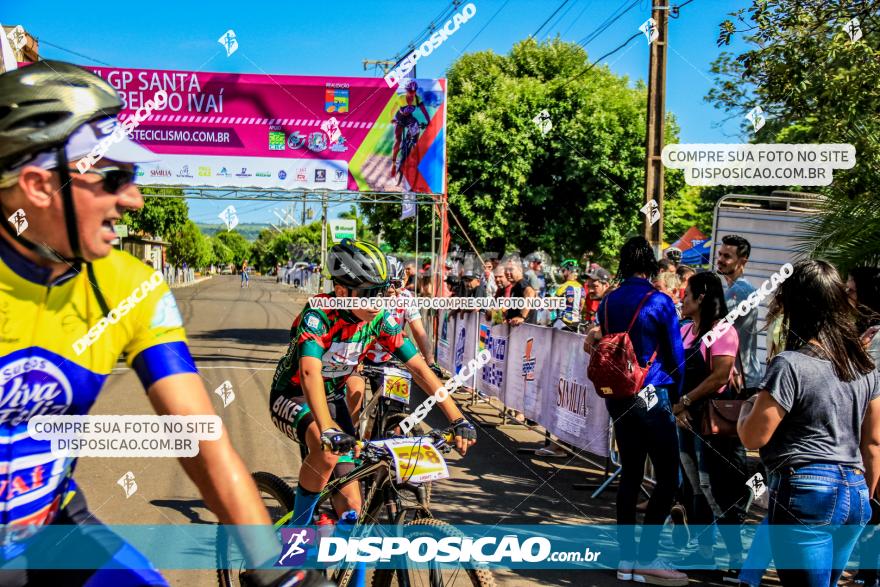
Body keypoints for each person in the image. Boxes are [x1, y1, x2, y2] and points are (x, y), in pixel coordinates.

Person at [0, 61, 323, 587]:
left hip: (49, 529)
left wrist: (273, 568)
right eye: (114, 178)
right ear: (39, 185)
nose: (133, 199)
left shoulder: (131, 286)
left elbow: (198, 432)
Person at [269, 239, 477, 535]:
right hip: (293, 394)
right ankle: (297, 535)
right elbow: (309, 372)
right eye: (368, 294)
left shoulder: (378, 318)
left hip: (332, 397)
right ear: (341, 292)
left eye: (380, 293)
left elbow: (418, 367)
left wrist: (457, 418)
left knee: (353, 512)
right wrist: (327, 428)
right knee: (326, 450)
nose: (377, 302)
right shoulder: (319, 314)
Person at [738, 260, 880, 587]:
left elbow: (754, 436)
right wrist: (865, 499)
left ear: (792, 306)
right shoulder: (864, 365)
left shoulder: (790, 364)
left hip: (807, 490)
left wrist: (748, 405)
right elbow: (872, 442)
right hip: (855, 492)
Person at [585, 236, 686, 586]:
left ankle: (626, 558)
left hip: (618, 394)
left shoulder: (608, 301)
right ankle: (647, 557)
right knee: (669, 475)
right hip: (651, 392)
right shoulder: (659, 301)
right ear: (651, 265)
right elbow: (675, 355)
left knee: (630, 473)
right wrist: (680, 396)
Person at [671, 272, 748, 583]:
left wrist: (685, 400)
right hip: (686, 419)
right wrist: (677, 407)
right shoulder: (686, 330)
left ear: (701, 296)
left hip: (712, 424)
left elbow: (720, 376)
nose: (682, 298)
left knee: (716, 488)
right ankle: (704, 553)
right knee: (694, 489)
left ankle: (735, 557)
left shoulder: (723, 331)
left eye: (686, 293)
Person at [345, 256, 441, 422]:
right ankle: (352, 436)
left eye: (396, 284)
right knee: (355, 393)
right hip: (362, 355)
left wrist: (431, 362)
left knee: (395, 411)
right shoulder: (368, 297)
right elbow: (356, 331)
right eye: (388, 283)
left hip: (390, 357)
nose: (391, 289)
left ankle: (390, 430)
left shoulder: (406, 298)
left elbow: (419, 331)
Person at [716, 235, 761, 390]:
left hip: (740, 380)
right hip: (742, 376)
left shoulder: (739, 291)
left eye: (727, 256)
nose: (720, 259)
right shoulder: (738, 289)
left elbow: (715, 329)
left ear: (743, 261)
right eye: (720, 254)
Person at [390, 80, 430, 178]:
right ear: (406, 90)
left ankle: (411, 144)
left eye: (414, 91)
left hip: (409, 118)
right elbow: (392, 110)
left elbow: (424, 111)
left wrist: (429, 121)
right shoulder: (401, 98)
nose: (412, 93)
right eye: (410, 91)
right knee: (398, 141)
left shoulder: (417, 98)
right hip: (399, 118)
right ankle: (394, 164)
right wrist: (392, 119)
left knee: (416, 126)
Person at [553, 259, 586, 331]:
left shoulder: (563, 287)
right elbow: (581, 306)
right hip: (576, 323)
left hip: (562, 323)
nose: (561, 273)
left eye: (563, 271)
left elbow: (551, 307)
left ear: (568, 271)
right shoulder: (581, 288)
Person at [505, 260, 536, 326]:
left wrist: (521, 317)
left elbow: (530, 293)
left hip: (526, 331)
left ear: (520, 270)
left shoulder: (521, 283)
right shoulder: (515, 287)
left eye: (511, 269)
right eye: (506, 269)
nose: (507, 272)